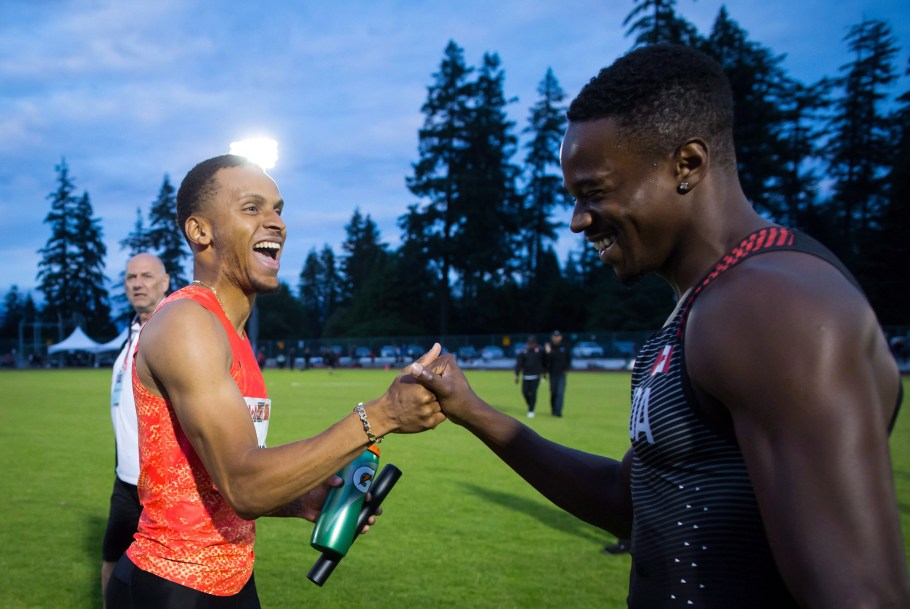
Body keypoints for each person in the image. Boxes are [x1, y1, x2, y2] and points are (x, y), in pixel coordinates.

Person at [410, 45, 910, 608]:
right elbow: (633, 501)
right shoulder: (711, 299)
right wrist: (473, 410)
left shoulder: (770, 305)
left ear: (688, 165)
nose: (578, 221)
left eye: (595, 193)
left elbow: (860, 595)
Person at [105, 154, 446, 608]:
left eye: (278, 209)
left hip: (231, 579)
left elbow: (224, 482)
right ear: (200, 231)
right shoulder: (187, 321)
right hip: (174, 585)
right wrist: (380, 415)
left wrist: (301, 501)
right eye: (252, 208)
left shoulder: (232, 333)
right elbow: (244, 484)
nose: (276, 223)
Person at [100, 253, 170, 607]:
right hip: (125, 480)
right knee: (111, 561)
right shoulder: (133, 332)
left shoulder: (171, 332)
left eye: (146, 276)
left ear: (165, 281)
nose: (137, 283)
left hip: (160, 485)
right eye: (130, 278)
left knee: (163, 578)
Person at [514, 336, 544, 418]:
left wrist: (544, 373)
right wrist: (517, 374)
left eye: (532, 343)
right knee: (525, 392)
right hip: (526, 376)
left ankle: (531, 410)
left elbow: (544, 361)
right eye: (530, 343)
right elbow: (519, 364)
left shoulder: (540, 351)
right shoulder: (524, 352)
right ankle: (530, 404)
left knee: (533, 393)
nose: (531, 345)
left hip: (536, 376)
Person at [543, 330, 571, 417]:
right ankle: (553, 410)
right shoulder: (549, 347)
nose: (556, 338)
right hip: (552, 374)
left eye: (558, 336)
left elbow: (568, 358)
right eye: (555, 336)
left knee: (560, 393)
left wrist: (567, 369)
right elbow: (546, 360)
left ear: (561, 337)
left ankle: (558, 412)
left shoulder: (564, 347)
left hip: (561, 374)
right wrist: (548, 352)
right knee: (553, 393)